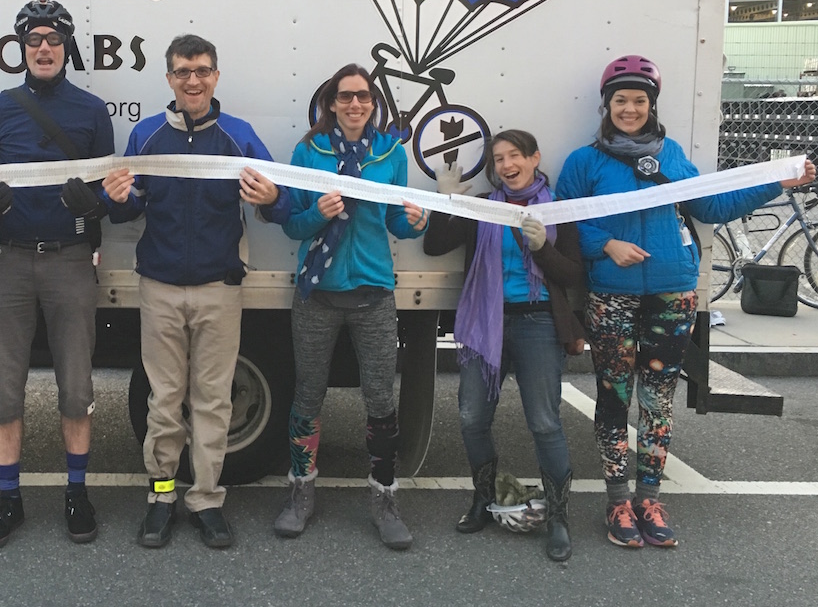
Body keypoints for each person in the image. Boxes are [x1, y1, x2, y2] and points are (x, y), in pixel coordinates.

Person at [556, 55, 817, 548]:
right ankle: (617, 502)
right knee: (614, 398)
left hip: (672, 294)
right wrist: (605, 246)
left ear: (651, 106)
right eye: (620, 101)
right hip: (612, 295)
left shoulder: (671, 155)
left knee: (658, 401)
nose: (629, 109)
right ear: (605, 106)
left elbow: (711, 206)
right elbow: (568, 222)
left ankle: (649, 498)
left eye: (639, 101)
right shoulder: (583, 162)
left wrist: (774, 183)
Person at [102, 34, 289, 549]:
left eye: (202, 70)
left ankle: (206, 499)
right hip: (159, 287)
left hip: (218, 289)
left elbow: (282, 202)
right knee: (164, 401)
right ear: (169, 78)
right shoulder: (146, 134)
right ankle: (162, 497)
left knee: (212, 403)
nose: (193, 80)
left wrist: (272, 197)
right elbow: (124, 207)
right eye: (183, 71)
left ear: (215, 76)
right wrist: (114, 198)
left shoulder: (238, 135)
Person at [0, 0, 114, 550]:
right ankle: (9, 498)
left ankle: (77, 492)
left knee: (76, 384)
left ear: (67, 47)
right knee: (4, 388)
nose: (43, 48)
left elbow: (107, 192)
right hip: (7, 260)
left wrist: (91, 202)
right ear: (21, 48)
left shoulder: (93, 111)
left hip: (70, 259)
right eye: (34, 41)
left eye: (53, 39)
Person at [273, 64, 428, 551]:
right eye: (345, 97)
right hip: (317, 293)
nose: (355, 105)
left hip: (374, 293)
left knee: (381, 400)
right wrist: (315, 215)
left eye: (363, 97)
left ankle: (385, 499)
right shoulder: (307, 151)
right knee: (308, 394)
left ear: (373, 102)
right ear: (331, 104)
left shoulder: (390, 154)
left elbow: (399, 227)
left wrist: (416, 221)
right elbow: (292, 226)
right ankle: (300, 492)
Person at [423, 130, 585, 562]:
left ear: (534, 158)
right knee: (472, 416)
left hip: (537, 322)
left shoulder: (558, 208)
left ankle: (558, 516)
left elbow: (572, 275)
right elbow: (434, 245)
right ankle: (482, 498)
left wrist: (541, 249)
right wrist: (449, 201)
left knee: (545, 423)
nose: (506, 164)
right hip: (486, 321)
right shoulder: (484, 208)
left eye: (515, 155)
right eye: (498, 158)